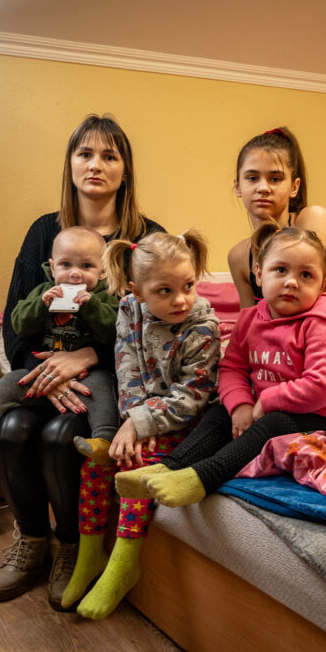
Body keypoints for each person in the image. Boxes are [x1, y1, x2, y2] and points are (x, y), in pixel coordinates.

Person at [0, 114, 165, 609]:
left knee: (61, 436)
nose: (96, 165)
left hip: (112, 380)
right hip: (45, 371)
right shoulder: (44, 232)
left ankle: (70, 548)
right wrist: (48, 373)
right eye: (85, 153)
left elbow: (156, 331)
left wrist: (86, 357)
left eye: (110, 155)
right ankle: (31, 544)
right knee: (12, 429)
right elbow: (16, 319)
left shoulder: (146, 239)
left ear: (125, 169)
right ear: (70, 164)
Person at [115, 223, 326, 508]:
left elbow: (322, 386)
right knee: (221, 411)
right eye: (280, 270)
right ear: (258, 273)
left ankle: (202, 477)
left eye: (306, 275)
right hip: (263, 406)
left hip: (324, 416)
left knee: (275, 423)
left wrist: (266, 401)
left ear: (323, 283)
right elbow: (232, 368)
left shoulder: (322, 324)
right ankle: (170, 466)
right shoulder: (250, 319)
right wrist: (241, 405)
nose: (292, 282)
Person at [63, 230, 221, 619]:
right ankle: (89, 558)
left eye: (188, 286)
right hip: (141, 415)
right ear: (136, 290)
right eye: (164, 291)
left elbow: (192, 397)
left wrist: (142, 426)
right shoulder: (129, 310)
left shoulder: (203, 329)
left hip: (186, 422)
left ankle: (123, 563)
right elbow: (127, 368)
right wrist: (131, 421)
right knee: (96, 467)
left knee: (136, 469)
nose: (181, 299)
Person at [0, 226, 119, 462]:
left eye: (86, 266)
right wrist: (40, 305)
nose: (75, 274)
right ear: (52, 267)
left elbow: (114, 333)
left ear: (102, 272)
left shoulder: (106, 297)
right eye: (66, 265)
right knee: (10, 381)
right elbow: (18, 325)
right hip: (43, 371)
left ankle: (103, 440)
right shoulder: (43, 292)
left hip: (89, 374)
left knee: (102, 387)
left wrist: (93, 308)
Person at [226, 126, 326, 393]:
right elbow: (250, 328)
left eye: (275, 179)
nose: (263, 188)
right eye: (252, 178)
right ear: (238, 186)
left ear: (294, 186)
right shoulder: (238, 256)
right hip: (275, 372)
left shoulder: (312, 221)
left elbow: (323, 312)